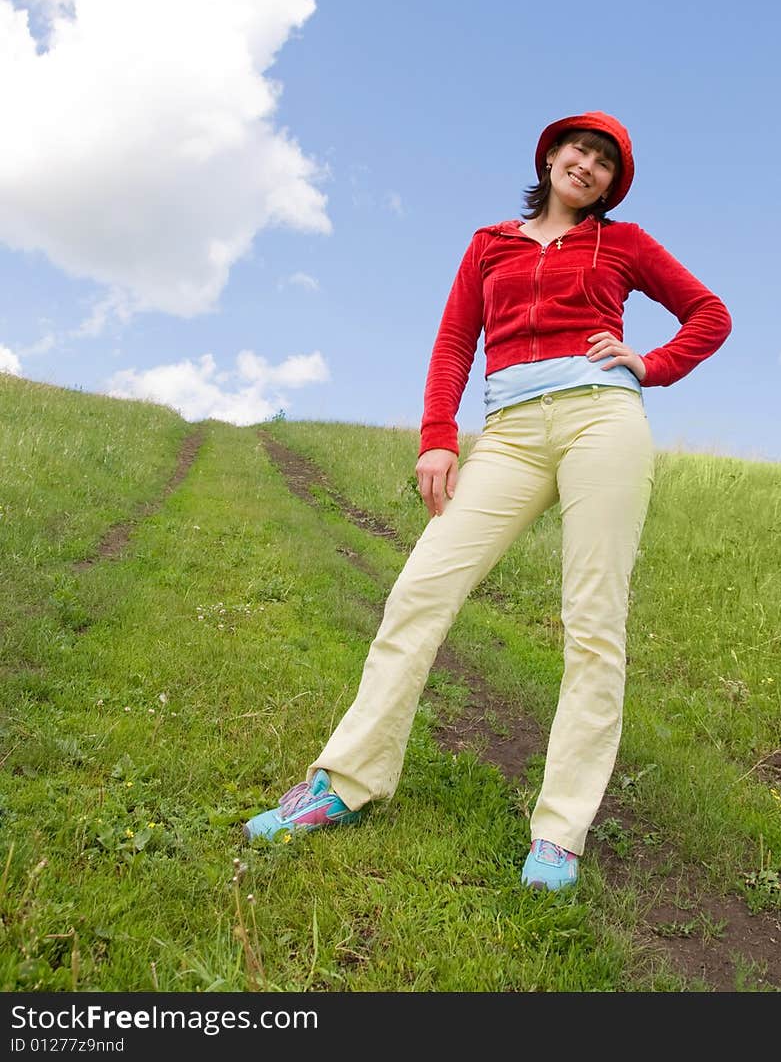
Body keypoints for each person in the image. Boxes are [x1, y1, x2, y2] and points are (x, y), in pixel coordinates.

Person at [244, 109, 732, 892]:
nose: (588, 164)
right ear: (549, 156)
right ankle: (344, 783)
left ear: (612, 183)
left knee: (594, 620)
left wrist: (650, 362)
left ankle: (559, 831)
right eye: (579, 148)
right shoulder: (488, 243)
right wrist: (439, 431)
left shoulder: (625, 242)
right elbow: (452, 343)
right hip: (506, 432)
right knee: (419, 587)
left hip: (601, 421)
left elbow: (711, 314)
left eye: (605, 160)